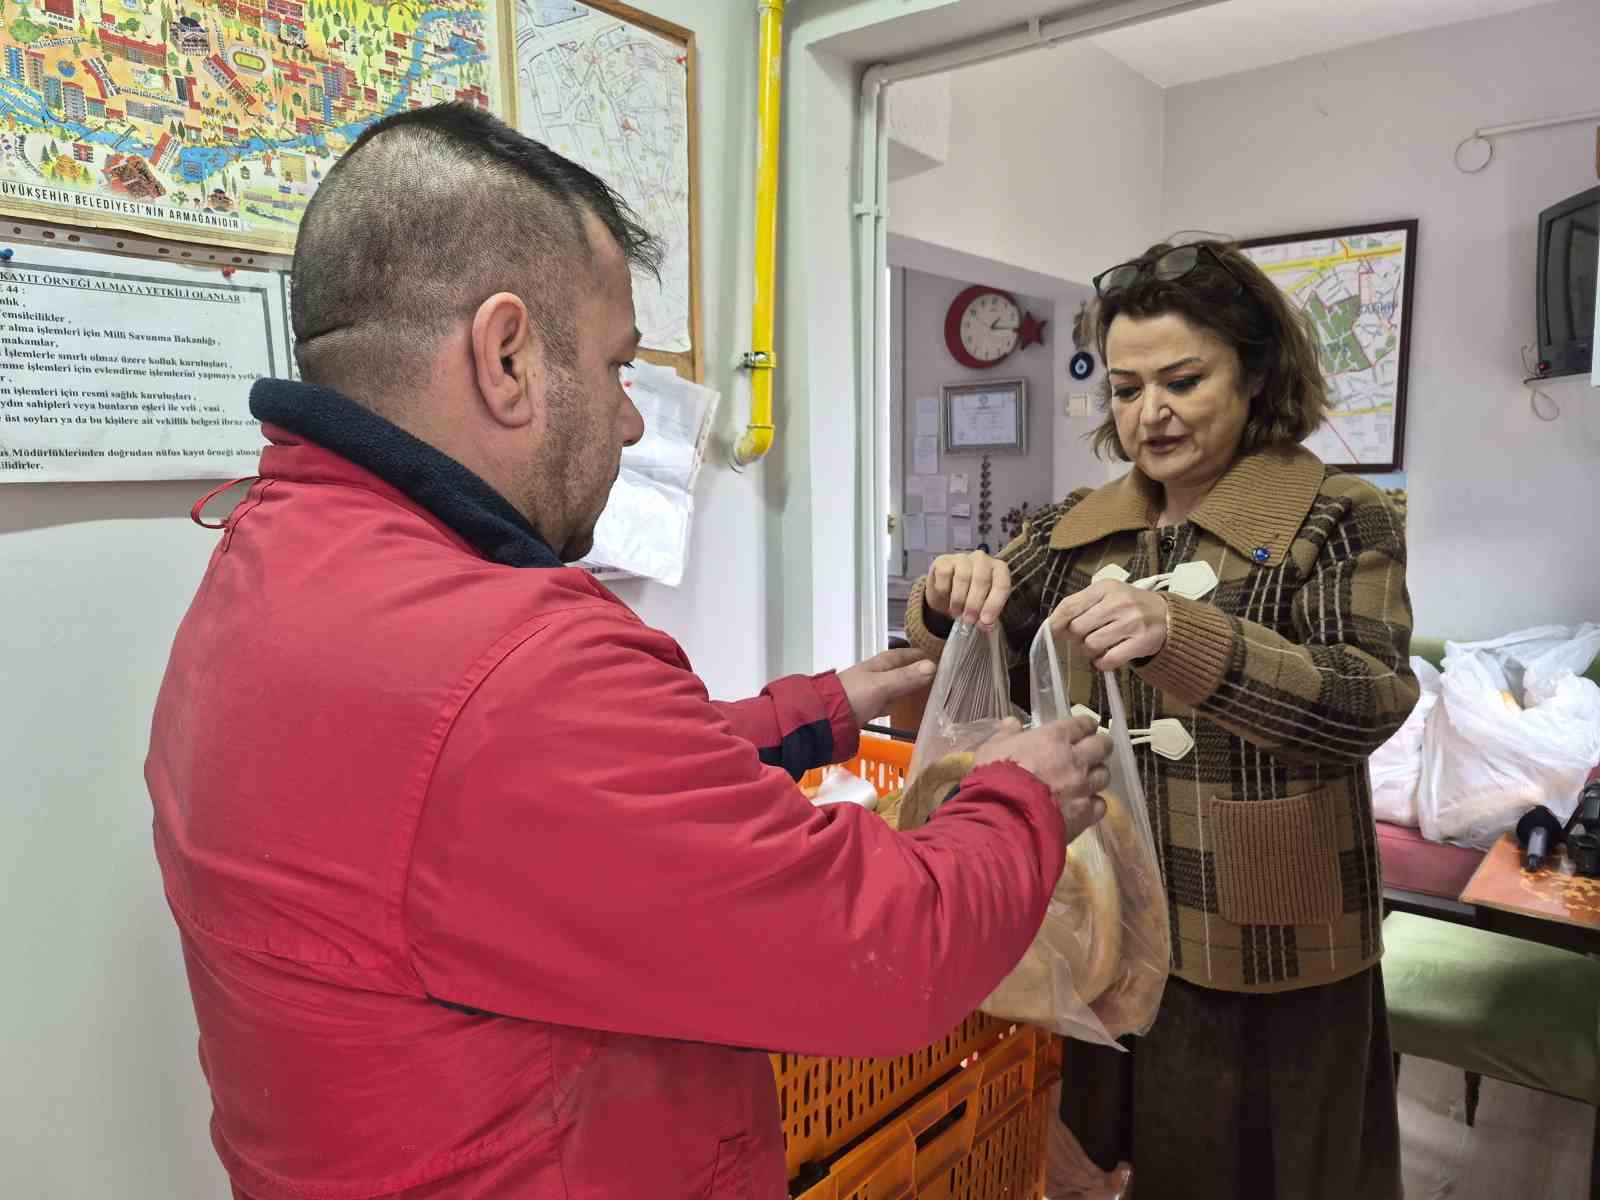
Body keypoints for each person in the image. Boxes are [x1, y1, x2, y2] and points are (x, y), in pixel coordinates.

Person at [145, 104, 1112, 1200]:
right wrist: (1015, 799)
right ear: (505, 356)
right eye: (617, 371)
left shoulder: (269, 564)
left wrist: (820, 707)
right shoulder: (517, 659)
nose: (632, 426)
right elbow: (890, 953)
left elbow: (538, 805)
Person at [906, 239, 1419, 1199]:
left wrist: (1181, 634)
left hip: (1273, 934)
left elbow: (1368, 698)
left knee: (1280, 1170)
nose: (1152, 413)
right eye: (1127, 386)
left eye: (1184, 380)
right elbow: (985, 657)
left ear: (1257, 370)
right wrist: (947, 597)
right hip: (1109, 918)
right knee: (1110, 1165)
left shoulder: (1339, 516)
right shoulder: (1075, 528)